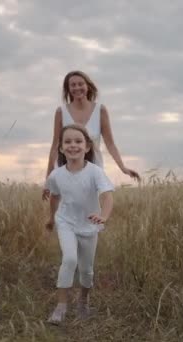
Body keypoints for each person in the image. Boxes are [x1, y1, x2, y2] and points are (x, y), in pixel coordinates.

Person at [45, 124, 114, 325]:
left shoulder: (95, 172)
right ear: (60, 147)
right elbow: (54, 197)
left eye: (78, 141)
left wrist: (104, 217)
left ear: (87, 147)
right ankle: (61, 307)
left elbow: (108, 197)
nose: (73, 145)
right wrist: (51, 218)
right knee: (69, 259)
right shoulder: (56, 175)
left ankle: (83, 301)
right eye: (67, 141)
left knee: (87, 270)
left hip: (89, 226)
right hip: (66, 222)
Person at [43, 70, 140, 200]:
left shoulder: (100, 110)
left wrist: (122, 167)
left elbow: (110, 144)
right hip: (65, 169)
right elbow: (55, 145)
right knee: (66, 212)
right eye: (73, 85)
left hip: (93, 167)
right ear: (68, 89)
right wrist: (48, 179)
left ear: (88, 86)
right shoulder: (61, 112)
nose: (77, 88)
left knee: (91, 210)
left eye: (80, 84)